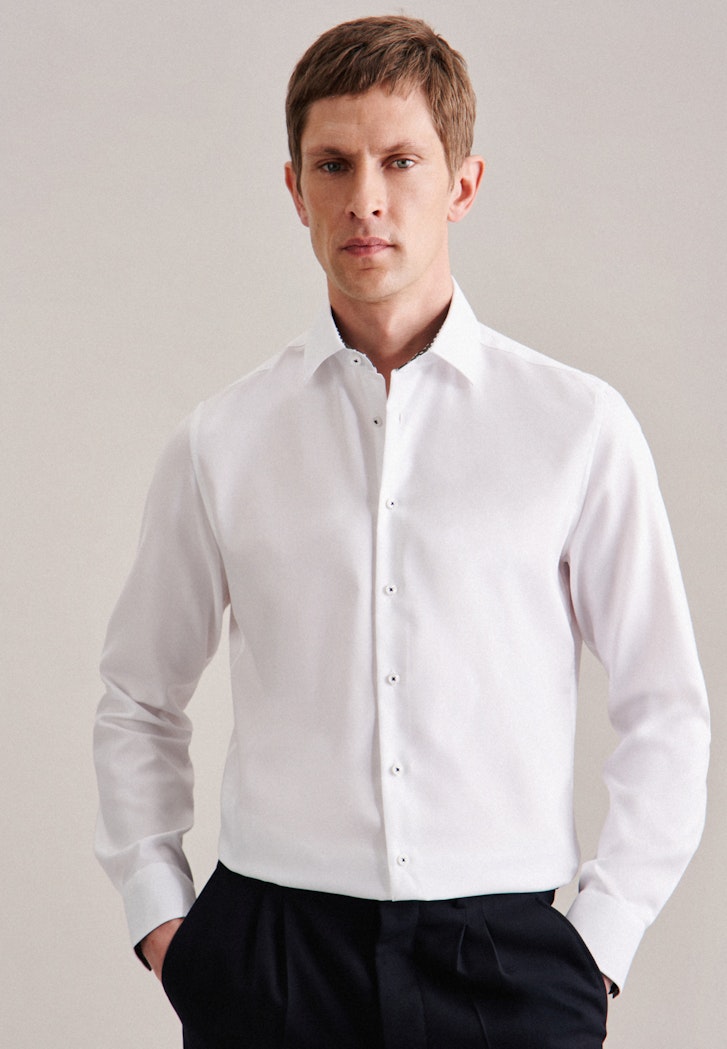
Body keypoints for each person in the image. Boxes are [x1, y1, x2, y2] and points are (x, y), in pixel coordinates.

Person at [94, 15, 710, 1049]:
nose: (364, 198)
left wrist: (599, 943)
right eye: (332, 164)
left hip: (507, 960)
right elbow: (137, 694)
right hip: (272, 958)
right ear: (295, 189)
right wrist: (164, 921)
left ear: (462, 184)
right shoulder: (222, 440)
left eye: (400, 161)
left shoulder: (575, 428)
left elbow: (666, 708)